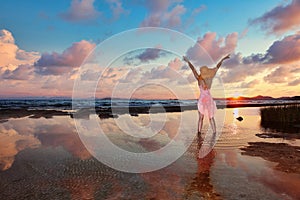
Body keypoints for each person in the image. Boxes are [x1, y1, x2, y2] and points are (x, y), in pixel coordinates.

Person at [183, 54, 230, 135]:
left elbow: (217, 67)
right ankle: (199, 132)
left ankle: (214, 133)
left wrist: (223, 59)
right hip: (203, 100)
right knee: (201, 117)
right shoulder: (199, 78)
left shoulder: (208, 79)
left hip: (208, 100)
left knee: (210, 117)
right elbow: (193, 69)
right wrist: (188, 62)